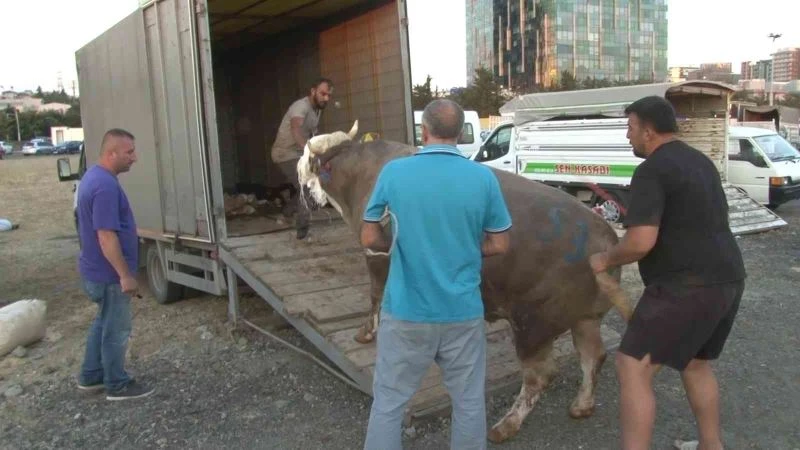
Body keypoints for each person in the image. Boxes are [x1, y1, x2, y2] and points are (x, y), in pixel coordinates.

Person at [588, 96, 746, 450]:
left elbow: (641, 241)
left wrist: (606, 259)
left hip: (685, 286)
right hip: (729, 278)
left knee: (632, 366)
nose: (627, 136)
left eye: (630, 128)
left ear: (648, 130)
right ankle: (711, 445)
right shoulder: (700, 162)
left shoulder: (653, 169)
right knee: (696, 363)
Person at [361, 99, 512, 450]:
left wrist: (397, 242)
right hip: (463, 312)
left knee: (389, 403)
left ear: (423, 131)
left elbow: (369, 236)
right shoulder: (482, 177)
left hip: (406, 312)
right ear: (460, 133)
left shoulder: (395, 172)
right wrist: (464, 248)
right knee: (468, 402)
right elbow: (501, 244)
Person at [76, 128, 154, 400]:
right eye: (129, 152)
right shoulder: (105, 186)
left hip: (96, 271)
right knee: (116, 329)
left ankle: (91, 376)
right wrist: (125, 275)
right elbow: (106, 235)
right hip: (109, 275)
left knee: (102, 322)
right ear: (112, 153)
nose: (134, 158)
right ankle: (117, 385)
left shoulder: (93, 178)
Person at [270, 77, 334, 240]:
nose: (326, 98)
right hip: (284, 154)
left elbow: (313, 137)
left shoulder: (317, 111)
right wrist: (312, 155)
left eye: (329, 95)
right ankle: (302, 233)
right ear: (313, 91)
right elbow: (296, 130)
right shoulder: (301, 106)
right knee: (306, 187)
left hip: (301, 153)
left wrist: (322, 160)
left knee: (321, 180)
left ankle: (286, 213)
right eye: (323, 94)